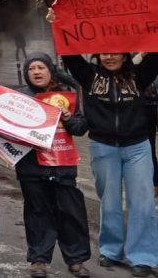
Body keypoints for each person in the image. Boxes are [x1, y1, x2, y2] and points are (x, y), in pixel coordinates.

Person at [63, 51, 158, 277]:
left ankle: (143, 256)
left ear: (125, 56)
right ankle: (111, 250)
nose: (109, 57)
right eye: (105, 53)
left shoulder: (139, 75)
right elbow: (69, 54)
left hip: (137, 147)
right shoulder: (89, 76)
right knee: (110, 201)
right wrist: (57, 21)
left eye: (115, 53)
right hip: (102, 147)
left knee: (143, 203)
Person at [8, 54, 90, 278]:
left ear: (50, 70)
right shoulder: (18, 98)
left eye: (41, 67)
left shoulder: (68, 94)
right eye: (31, 68)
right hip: (31, 168)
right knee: (37, 214)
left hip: (63, 165)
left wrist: (68, 117)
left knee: (70, 213)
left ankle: (76, 261)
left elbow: (81, 127)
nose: (36, 71)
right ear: (26, 74)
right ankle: (39, 260)